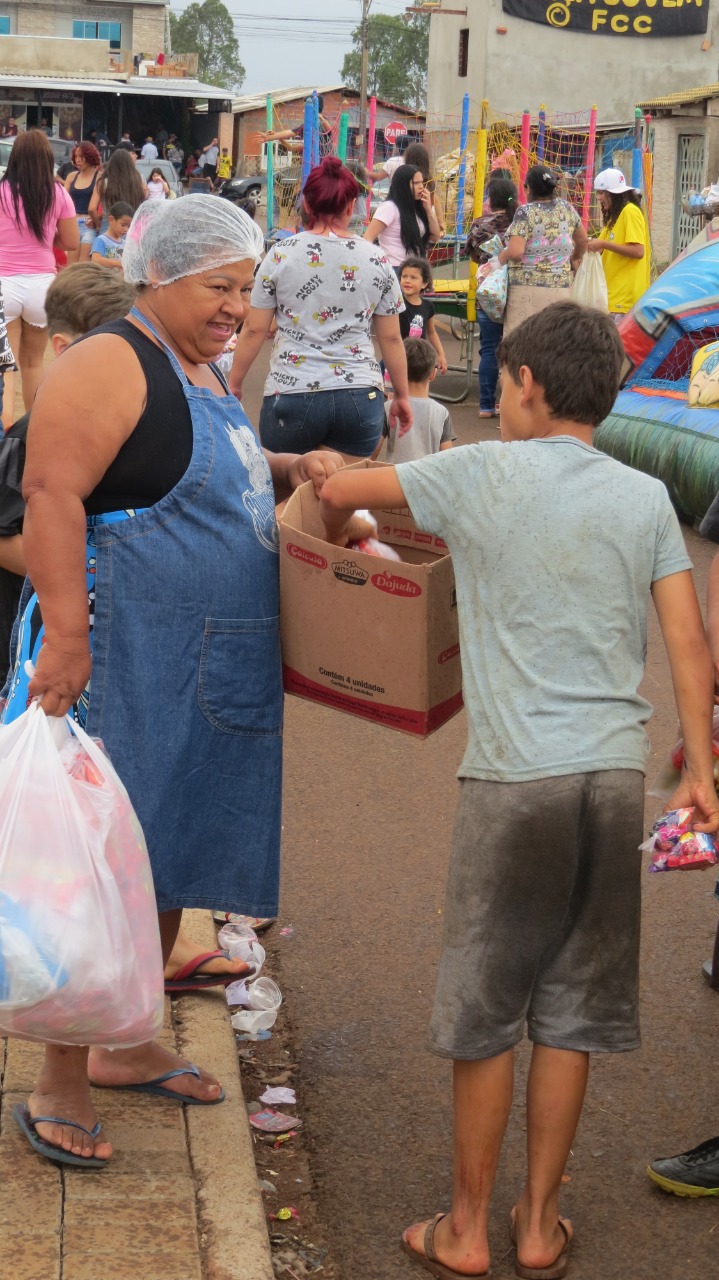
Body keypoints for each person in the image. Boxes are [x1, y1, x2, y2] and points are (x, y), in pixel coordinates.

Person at [318, 301, 719, 1278]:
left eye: (499, 385)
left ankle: (463, 1226)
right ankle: (537, 1224)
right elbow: (685, 644)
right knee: (572, 1009)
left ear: (528, 387)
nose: (495, 398)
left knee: (488, 1009)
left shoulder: (477, 467)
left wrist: (326, 476)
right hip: (612, 777)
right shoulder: (641, 498)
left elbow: (345, 501)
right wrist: (700, 771)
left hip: (514, 780)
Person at [4, 195, 345, 1167]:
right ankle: (60, 1075)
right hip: (127, 657)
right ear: (161, 273)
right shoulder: (110, 360)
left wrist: (287, 462)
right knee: (96, 864)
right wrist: (66, 636)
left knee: (166, 856)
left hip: (205, 663)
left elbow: (208, 471)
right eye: (220, 286)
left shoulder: (198, 366)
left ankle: (126, 1036)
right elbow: (49, 494)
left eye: (246, 287)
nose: (238, 305)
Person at [230, 155, 412, 461]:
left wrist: (234, 383)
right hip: (360, 396)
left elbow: (253, 328)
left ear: (308, 205)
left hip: (291, 394)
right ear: (350, 207)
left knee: (288, 498)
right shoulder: (376, 259)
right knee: (343, 498)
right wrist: (403, 396)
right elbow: (391, 339)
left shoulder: (280, 255)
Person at [0, 264, 136, 667]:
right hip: (34, 642)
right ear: (63, 347)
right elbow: (4, 539)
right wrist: (93, 573)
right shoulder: (32, 436)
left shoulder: (129, 422)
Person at [0, 130, 78, 415]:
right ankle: (31, 431)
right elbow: (70, 242)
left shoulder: (1, 190)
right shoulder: (57, 193)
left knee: (4, 366)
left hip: (3, 284)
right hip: (41, 287)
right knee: (33, 363)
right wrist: (45, 239)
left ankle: (3, 430)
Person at [498, 165, 587, 333]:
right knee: (553, 344)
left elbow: (516, 252)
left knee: (520, 344)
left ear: (528, 188)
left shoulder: (525, 212)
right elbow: (582, 240)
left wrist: (502, 256)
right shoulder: (566, 208)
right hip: (561, 288)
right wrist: (575, 257)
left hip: (527, 291)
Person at [466, 177, 518, 419]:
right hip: (514, 293)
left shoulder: (479, 225)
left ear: (490, 199)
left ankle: (486, 405)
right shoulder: (519, 221)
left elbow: (473, 256)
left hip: (488, 293)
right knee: (516, 349)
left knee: (488, 349)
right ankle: (510, 404)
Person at [587, 168, 651, 319]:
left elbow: (638, 251)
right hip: (611, 297)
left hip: (624, 300)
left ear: (612, 194)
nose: (598, 197)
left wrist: (604, 244)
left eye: (601, 193)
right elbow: (599, 247)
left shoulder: (630, 211)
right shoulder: (613, 218)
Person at [381, 338, 455, 463]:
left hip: (396, 478)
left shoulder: (389, 408)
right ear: (432, 374)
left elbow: (371, 452)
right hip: (428, 480)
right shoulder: (442, 412)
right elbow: (448, 459)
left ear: (399, 370)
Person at [364, 164, 441, 270]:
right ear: (403, 185)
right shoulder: (389, 207)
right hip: (394, 268)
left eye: (422, 182)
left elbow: (435, 237)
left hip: (416, 268)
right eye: (416, 183)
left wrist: (428, 210)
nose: (421, 187)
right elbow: (367, 238)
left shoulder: (418, 207)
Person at [397, 256, 447, 372]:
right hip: (398, 357)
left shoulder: (427, 306)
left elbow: (431, 332)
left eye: (413, 277)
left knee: (418, 388)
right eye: (404, 276)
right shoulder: (397, 304)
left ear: (424, 283)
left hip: (418, 359)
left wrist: (441, 354)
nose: (407, 280)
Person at [93, 148, 147, 235]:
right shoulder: (138, 179)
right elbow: (144, 201)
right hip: (132, 226)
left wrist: (97, 224)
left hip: (109, 224)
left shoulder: (104, 182)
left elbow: (92, 208)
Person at [64, 142, 102, 264]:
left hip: (88, 223)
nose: (78, 161)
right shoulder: (71, 176)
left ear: (90, 157)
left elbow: (94, 207)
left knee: (81, 264)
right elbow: (63, 203)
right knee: (73, 264)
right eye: (76, 157)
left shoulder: (99, 177)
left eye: (82, 157)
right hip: (74, 222)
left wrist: (97, 223)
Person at [91, 202, 133, 268]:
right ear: (111, 220)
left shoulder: (124, 243)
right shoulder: (102, 240)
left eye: (129, 226)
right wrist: (117, 263)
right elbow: (96, 260)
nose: (126, 229)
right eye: (123, 225)